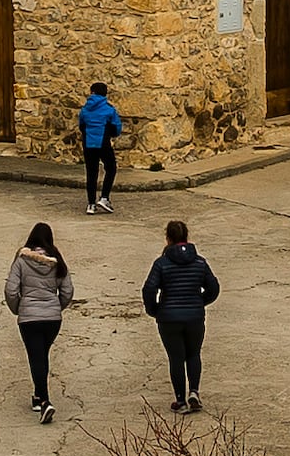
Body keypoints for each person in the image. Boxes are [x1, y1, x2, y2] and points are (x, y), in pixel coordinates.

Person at [138, 219, 221, 414]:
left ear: (167, 238)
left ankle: (180, 400)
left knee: (176, 358)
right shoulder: (200, 262)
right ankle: (194, 391)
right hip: (194, 317)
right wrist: (200, 302)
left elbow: (149, 288)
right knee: (193, 354)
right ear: (186, 237)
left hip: (169, 318)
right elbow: (214, 287)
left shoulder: (161, 263)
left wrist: (155, 309)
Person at [4, 221, 74, 422]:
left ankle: (45, 402)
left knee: (36, 357)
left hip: (29, 318)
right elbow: (68, 290)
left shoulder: (21, 260)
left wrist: (19, 308)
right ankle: (37, 396)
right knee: (41, 355)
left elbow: (10, 290)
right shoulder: (57, 261)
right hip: (52, 319)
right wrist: (55, 307)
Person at [74, 78, 127, 213]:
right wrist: (111, 135)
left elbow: (81, 125)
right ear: (105, 94)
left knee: (91, 173)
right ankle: (104, 197)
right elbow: (117, 127)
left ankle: (91, 204)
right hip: (103, 143)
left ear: (92, 92)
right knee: (111, 168)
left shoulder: (85, 109)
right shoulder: (109, 109)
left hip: (88, 145)